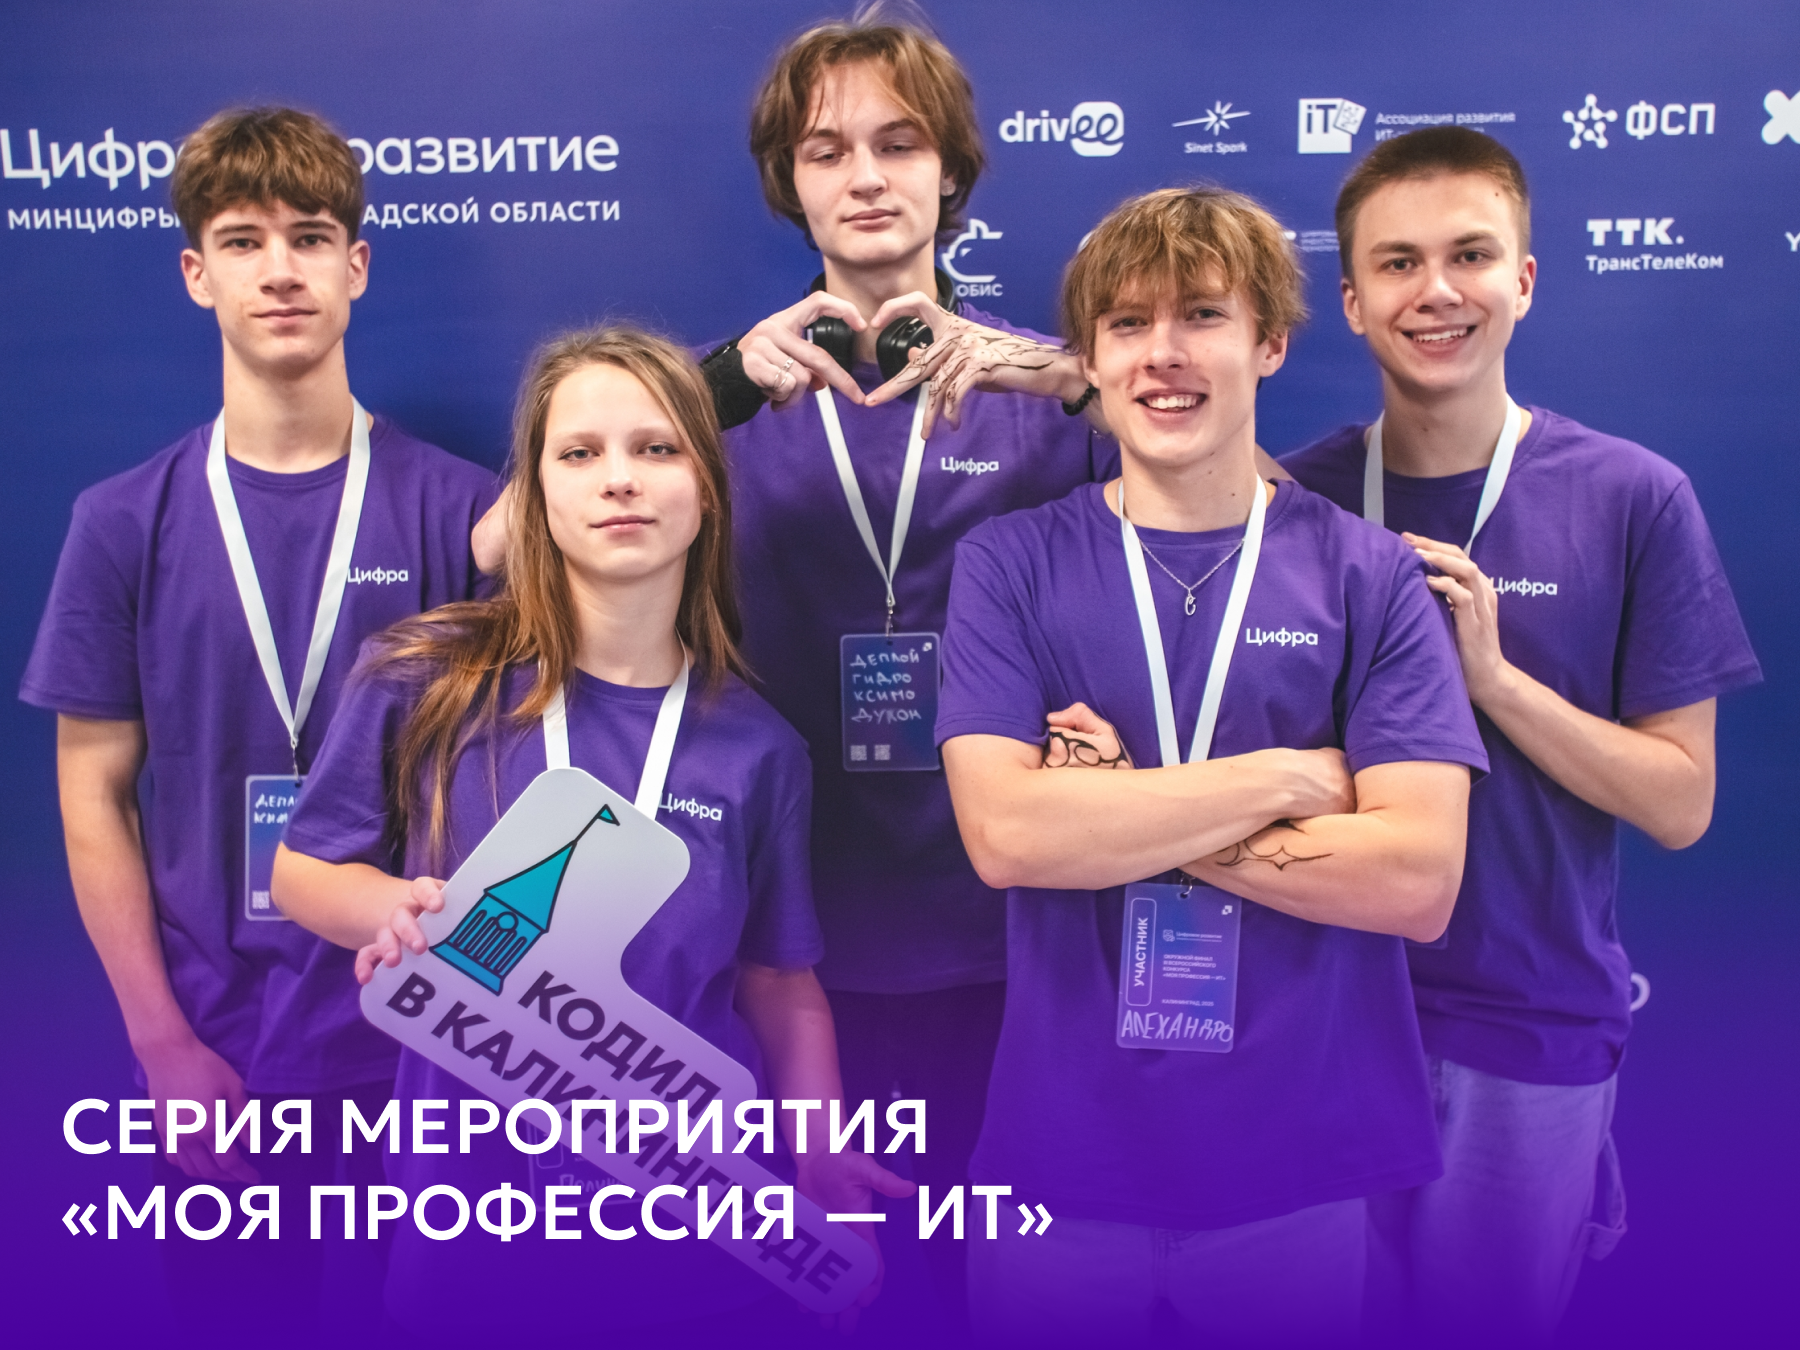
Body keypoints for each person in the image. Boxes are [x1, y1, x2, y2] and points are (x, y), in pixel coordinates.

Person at [271, 325, 908, 1339]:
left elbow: (781, 988)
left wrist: (818, 1152)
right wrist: (386, 910)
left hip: (697, 1244)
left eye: (657, 449)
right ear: (534, 493)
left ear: (708, 488)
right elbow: (304, 871)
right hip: (470, 1236)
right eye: (580, 452)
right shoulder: (428, 679)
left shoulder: (758, 747)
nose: (620, 479)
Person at [935, 186, 1491, 1345]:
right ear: (1091, 358)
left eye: (1202, 314)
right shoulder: (1010, 563)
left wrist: (1114, 811)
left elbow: (1416, 881)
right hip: (1061, 1160)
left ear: (1270, 342)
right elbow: (1009, 837)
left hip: (1294, 1163)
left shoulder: (1370, 576)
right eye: (1128, 324)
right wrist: (1291, 778)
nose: (1164, 354)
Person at [670, 13, 1124, 1317]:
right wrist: (710, 390)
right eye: (828, 151)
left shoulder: (1046, 389)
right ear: (790, 181)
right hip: (788, 955)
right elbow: (502, 542)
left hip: (1013, 942)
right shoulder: (713, 402)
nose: (865, 176)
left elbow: (1259, 514)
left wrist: (1065, 379)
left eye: (899, 143)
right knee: (827, 1298)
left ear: (951, 171)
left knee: (996, 1295)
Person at [1281, 126, 1761, 1345]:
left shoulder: (1633, 496)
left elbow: (1681, 802)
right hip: (1324, 1029)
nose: (1435, 292)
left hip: (1528, 1035)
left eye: (1470, 255)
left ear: (1526, 280)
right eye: (1397, 263)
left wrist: (1492, 682)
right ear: (1353, 300)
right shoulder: (1291, 503)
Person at [19, 106, 498, 1329]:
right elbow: (90, 795)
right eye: (243, 241)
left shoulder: (462, 512)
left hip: (424, 1044)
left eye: (310, 236)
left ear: (357, 266)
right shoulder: (121, 522)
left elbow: (622, 479)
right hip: (218, 1049)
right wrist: (161, 1046)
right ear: (198, 274)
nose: (280, 269)